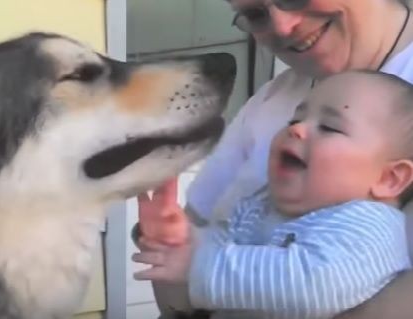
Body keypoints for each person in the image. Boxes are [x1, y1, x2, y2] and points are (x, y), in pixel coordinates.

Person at [132, 0, 413, 318]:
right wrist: (171, 242)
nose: (282, 26)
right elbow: (178, 297)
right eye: (255, 14)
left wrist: (200, 268)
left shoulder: (364, 226)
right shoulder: (269, 102)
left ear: (392, 178)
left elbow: (317, 283)